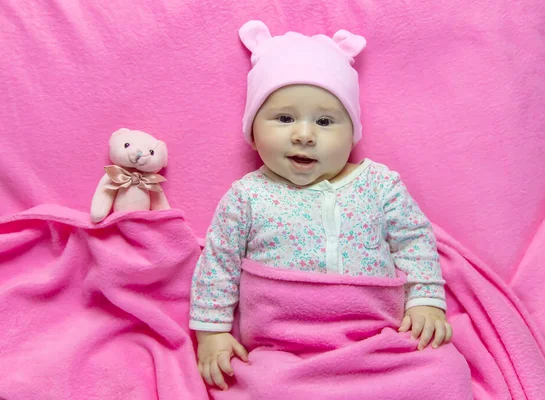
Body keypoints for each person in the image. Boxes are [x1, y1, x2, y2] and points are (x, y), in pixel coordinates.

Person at [189, 20, 453, 391]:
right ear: (252, 130)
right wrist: (211, 332)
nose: (304, 135)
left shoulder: (379, 184)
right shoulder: (247, 196)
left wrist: (425, 302)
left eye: (326, 121)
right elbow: (218, 261)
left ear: (352, 132)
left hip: (376, 335)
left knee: (443, 367)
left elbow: (414, 240)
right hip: (282, 343)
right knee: (262, 383)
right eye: (283, 118)